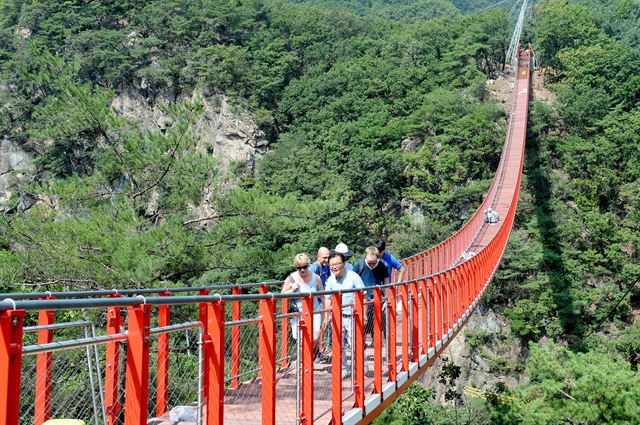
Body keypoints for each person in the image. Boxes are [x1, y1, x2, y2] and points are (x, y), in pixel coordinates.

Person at [324, 252, 365, 378]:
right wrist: (326, 317)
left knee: (355, 343)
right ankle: (344, 368)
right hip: (338, 316)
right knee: (338, 344)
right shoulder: (331, 280)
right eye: (332, 265)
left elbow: (363, 296)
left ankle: (361, 365)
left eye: (337, 264)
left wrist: (364, 315)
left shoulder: (353, 277)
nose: (334, 267)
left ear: (343, 264)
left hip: (353, 315)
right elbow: (328, 299)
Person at [281, 253, 330, 346]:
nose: (302, 270)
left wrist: (328, 313)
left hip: (314, 312)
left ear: (308, 265)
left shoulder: (316, 278)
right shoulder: (291, 278)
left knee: (314, 337)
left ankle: (312, 355)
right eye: (299, 268)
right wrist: (292, 290)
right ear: (296, 267)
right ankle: (308, 359)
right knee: (302, 341)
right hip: (298, 314)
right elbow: (282, 295)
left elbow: (323, 296)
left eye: (305, 267)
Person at [352, 247, 388, 344]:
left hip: (377, 299)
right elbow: (352, 280)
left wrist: (386, 298)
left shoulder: (383, 265)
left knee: (377, 322)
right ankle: (361, 343)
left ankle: (376, 341)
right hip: (362, 299)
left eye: (373, 263)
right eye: (369, 263)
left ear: (378, 258)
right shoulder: (358, 264)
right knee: (362, 321)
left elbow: (385, 282)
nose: (371, 265)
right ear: (365, 257)